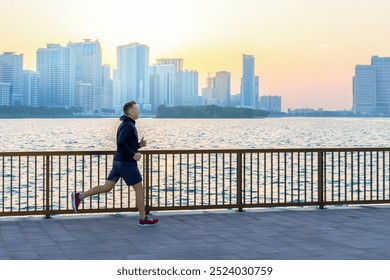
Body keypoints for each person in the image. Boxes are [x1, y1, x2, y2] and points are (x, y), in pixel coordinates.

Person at [71, 100, 158, 227]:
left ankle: (80, 196)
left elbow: (125, 144)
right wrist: (133, 154)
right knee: (139, 189)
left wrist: (139, 145)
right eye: (137, 109)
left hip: (119, 161)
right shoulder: (128, 125)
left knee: (107, 187)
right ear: (131, 111)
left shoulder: (126, 124)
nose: (139, 111)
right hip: (126, 163)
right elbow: (120, 143)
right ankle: (143, 218)